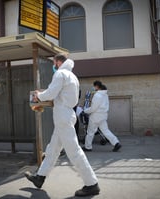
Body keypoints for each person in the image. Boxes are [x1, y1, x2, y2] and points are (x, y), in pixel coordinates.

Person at [25, 54, 100, 197]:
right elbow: (60, 94)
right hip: (67, 115)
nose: (54, 65)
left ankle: (92, 184)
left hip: (62, 116)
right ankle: (40, 177)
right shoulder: (72, 76)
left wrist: (38, 96)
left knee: (74, 151)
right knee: (53, 149)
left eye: (54, 63)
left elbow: (51, 93)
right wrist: (45, 95)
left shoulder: (60, 74)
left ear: (58, 62)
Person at [82, 81, 122, 152]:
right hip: (103, 116)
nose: (93, 88)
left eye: (94, 86)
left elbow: (93, 108)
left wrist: (85, 110)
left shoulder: (97, 95)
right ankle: (116, 143)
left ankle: (88, 147)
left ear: (97, 86)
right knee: (105, 130)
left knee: (90, 132)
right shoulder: (105, 95)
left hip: (95, 116)